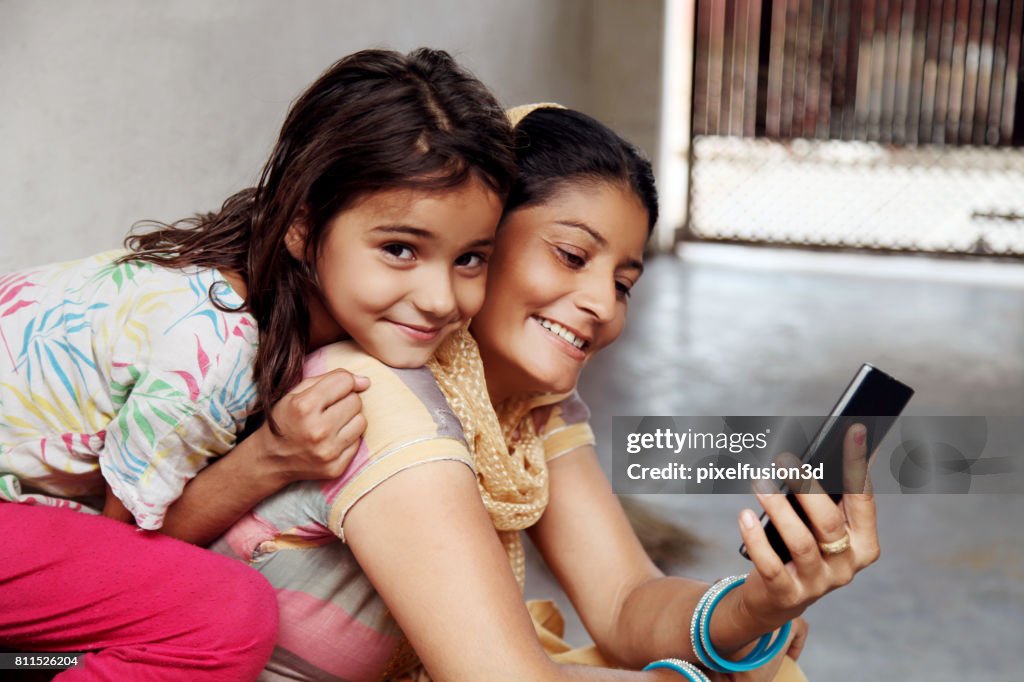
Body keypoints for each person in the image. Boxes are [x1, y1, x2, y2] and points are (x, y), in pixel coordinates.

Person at [209, 104, 881, 681]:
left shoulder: (526, 409)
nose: (600, 304)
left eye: (622, 283)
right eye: (571, 255)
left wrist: (758, 607)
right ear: (480, 240)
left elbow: (623, 602)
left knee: (763, 660)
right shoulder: (376, 392)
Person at [0, 48, 515, 680]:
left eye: (470, 259)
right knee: (222, 614)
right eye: (401, 249)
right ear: (301, 227)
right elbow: (124, 548)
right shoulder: (212, 348)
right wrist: (270, 456)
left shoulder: (252, 289)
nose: (441, 299)